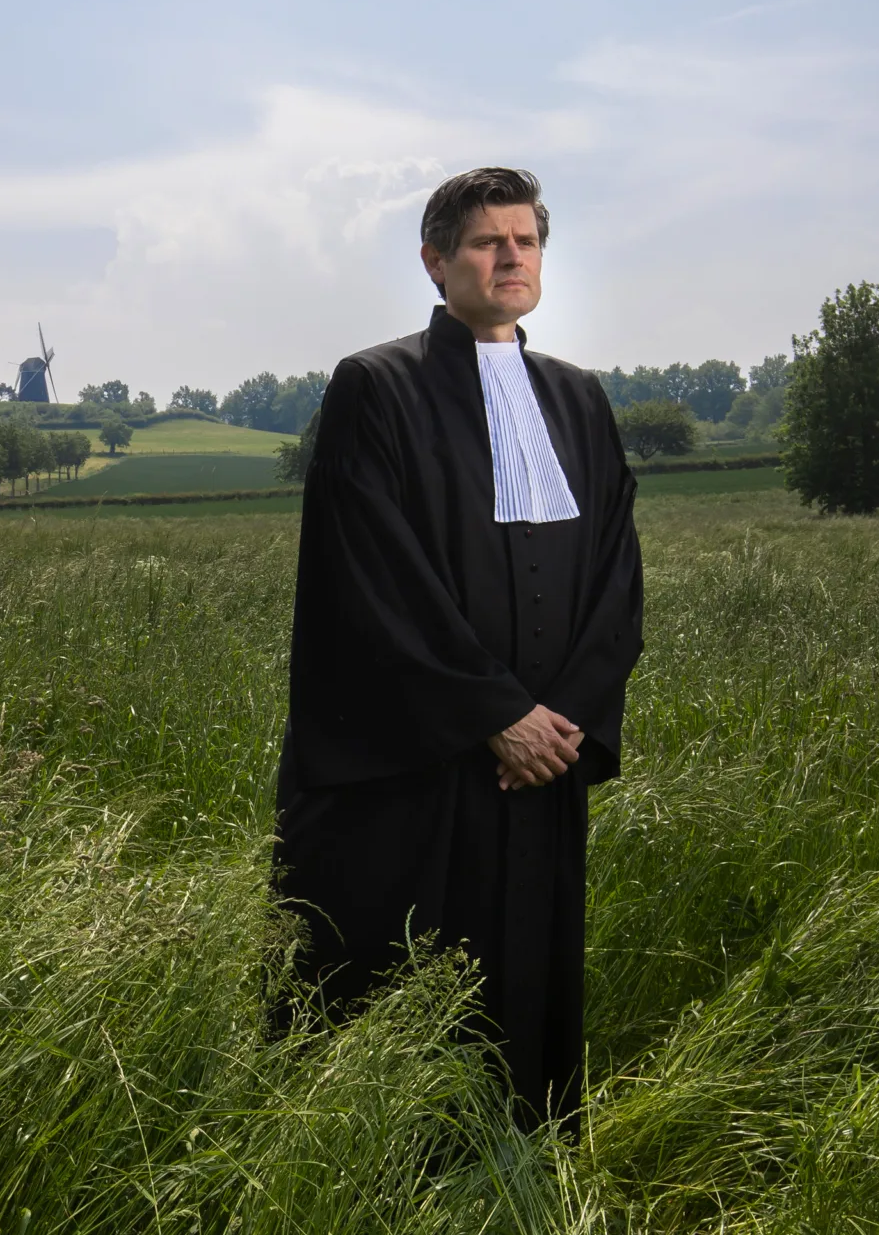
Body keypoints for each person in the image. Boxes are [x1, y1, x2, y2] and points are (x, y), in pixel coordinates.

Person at [275, 166, 644, 1129]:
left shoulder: (578, 399)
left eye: (525, 240)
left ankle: (521, 1183)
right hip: (416, 767)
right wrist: (495, 717)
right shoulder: (377, 388)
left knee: (527, 1002)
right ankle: (376, 1189)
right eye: (488, 241)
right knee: (399, 990)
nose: (510, 256)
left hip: (541, 770)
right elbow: (374, 578)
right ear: (437, 262)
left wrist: (556, 727)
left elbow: (616, 580)